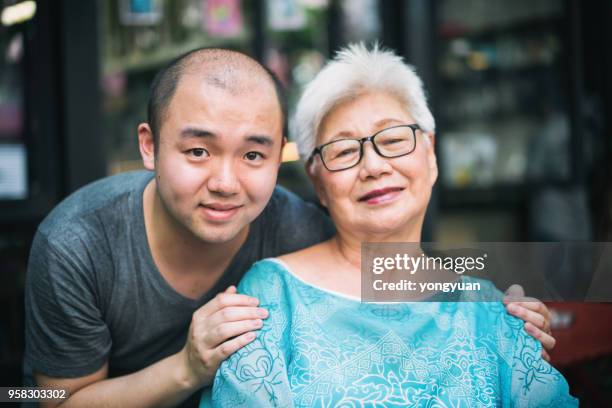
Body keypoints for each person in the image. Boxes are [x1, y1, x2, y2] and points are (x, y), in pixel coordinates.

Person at [24, 47, 553, 408]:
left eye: (253, 154)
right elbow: (49, 400)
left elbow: (389, 262)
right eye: (198, 150)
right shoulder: (74, 242)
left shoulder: (296, 225)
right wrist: (185, 369)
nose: (226, 182)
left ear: (282, 160)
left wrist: (499, 301)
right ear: (149, 146)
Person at [203, 44, 577, 407]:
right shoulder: (270, 298)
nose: (374, 167)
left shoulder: (494, 308)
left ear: (430, 155)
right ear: (318, 183)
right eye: (346, 151)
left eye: (394, 139)